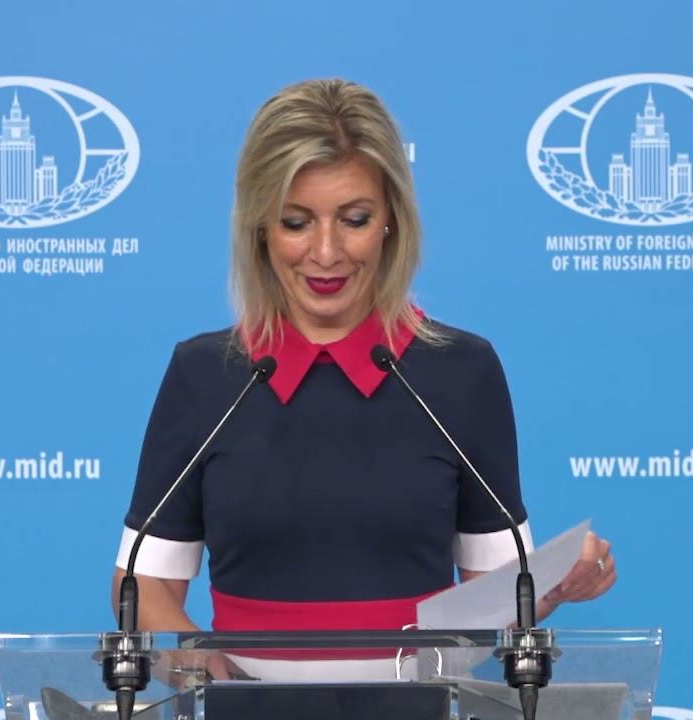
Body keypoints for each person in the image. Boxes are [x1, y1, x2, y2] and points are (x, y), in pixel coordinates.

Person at [112, 78, 615, 635]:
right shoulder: (204, 377)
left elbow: (496, 591)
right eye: (296, 222)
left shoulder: (463, 373)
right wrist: (199, 665)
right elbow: (143, 583)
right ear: (260, 227)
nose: (327, 252)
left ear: (391, 220)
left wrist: (552, 587)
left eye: (354, 220)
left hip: (421, 687)